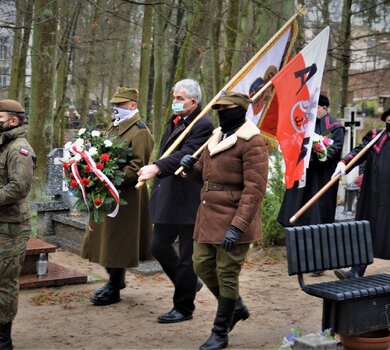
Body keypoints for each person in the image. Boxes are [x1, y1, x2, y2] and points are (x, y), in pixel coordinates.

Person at [180, 91, 268, 350]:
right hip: (208, 216)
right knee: (201, 264)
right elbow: (207, 176)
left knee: (227, 274)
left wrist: (237, 227)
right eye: (218, 109)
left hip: (235, 218)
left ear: (240, 110)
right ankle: (236, 307)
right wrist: (190, 169)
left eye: (225, 109)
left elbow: (255, 189)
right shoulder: (216, 137)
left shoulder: (252, 141)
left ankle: (220, 331)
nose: (220, 113)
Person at [137, 79, 214, 323]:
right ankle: (189, 284)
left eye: (180, 99)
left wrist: (157, 167)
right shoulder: (174, 120)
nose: (175, 103)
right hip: (168, 195)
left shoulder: (203, 124)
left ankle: (183, 307)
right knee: (158, 246)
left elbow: (187, 154)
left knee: (186, 259)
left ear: (194, 101)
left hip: (188, 198)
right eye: (174, 98)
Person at [81, 87, 154, 306]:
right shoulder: (114, 126)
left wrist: (109, 178)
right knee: (104, 237)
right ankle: (116, 280)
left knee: (117, 241)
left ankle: (113, 287)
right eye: (115, 104)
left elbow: (138, 165)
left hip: (126, 196)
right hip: (107, 192)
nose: (116, 108)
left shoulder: (140, 131)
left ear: (133, 105)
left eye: (121, 105)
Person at [333, 108, 390, 280]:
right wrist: (344, 162)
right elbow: (358, 152)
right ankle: (356, 271)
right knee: (366, 230)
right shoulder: (376, 137)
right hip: (373, 194)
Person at [277, 94, 345, 227]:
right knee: (296, 208)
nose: (311, 111)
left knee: (317, 214)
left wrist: (315, 148)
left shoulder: (335, 127)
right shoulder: (305, 124)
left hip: (321, 176)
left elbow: (333, 152)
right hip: (302, 173)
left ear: (324, 108)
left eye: (315, 108)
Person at [0, 99, 36, 350]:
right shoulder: (4, 145)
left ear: (13, 120)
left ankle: (4, 340)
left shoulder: (19, 149)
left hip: (11, 228)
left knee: (4, 283)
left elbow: (19, 188)